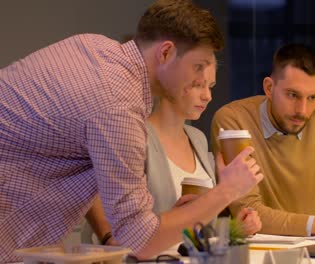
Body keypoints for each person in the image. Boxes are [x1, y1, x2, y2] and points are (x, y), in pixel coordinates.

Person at [0, 0, 263, 262]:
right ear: (166, 53)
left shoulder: (92, 46)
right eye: (197, 67)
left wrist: (173, 219)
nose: (200, 82)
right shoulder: (119, 106)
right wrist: (228, 190)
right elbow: (139, 242)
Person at [84, 57, 262, 245]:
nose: (208, 96)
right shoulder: (133, 137)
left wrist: (234, 229)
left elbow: (196, 227)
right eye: (198, 85)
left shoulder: (197, 138)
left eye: (210, 86)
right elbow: (107, 212)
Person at [211, 43, 315, 237]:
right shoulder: (233, 121)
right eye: (292, 95)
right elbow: (247, 213)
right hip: (252, 250)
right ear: (269, 88)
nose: (302, 111)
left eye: (313, 97)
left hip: (310, 250)